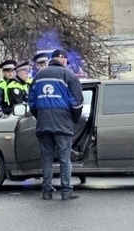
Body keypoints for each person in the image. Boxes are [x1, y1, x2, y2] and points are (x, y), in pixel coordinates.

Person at [28, 48, 84, 200]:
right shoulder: (68, 75)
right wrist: (73, 118)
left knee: (46, 159)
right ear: (64, 60)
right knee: (65, 159)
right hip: (62, 124)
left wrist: (40, 116)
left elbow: (32, 103)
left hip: (43, 124)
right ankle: (66, 191)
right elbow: (77, 102)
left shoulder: (38, 76)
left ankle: (47, 191)